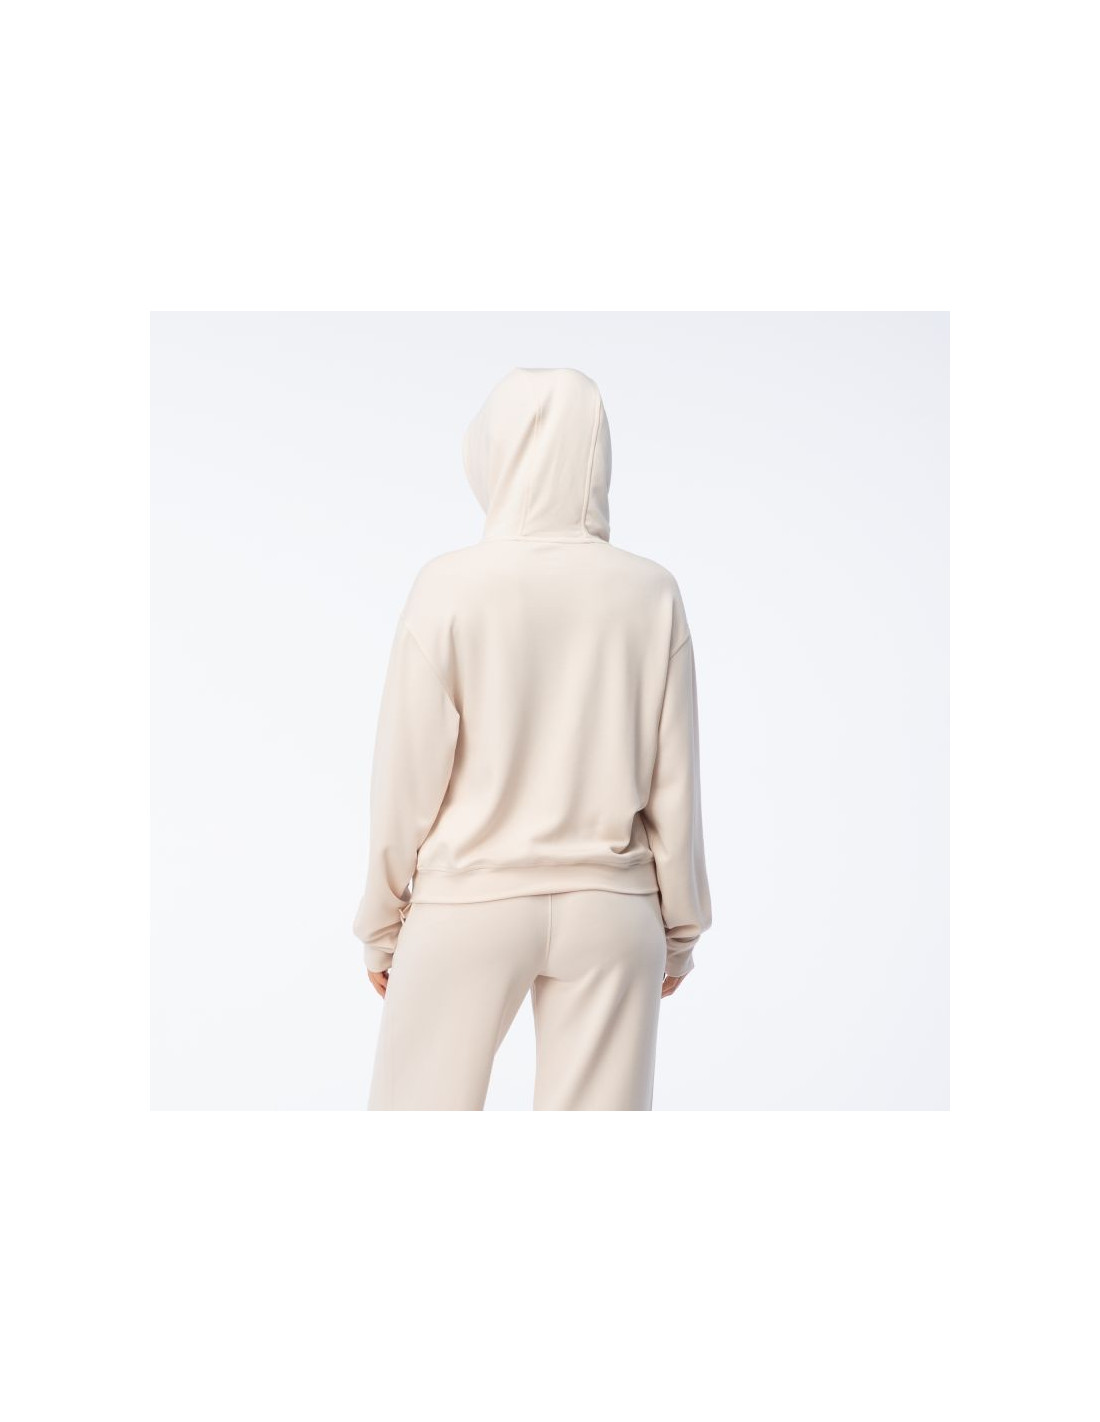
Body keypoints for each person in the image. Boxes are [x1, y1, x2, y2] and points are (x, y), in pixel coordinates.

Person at [353, 368, 711, 1110]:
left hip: (468, 901)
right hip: (611, 907)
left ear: (493, 452)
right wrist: (679, 929)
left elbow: (406, 774)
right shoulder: (652, 591)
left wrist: (382, 923)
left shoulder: (448, 586)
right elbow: (674, 781)